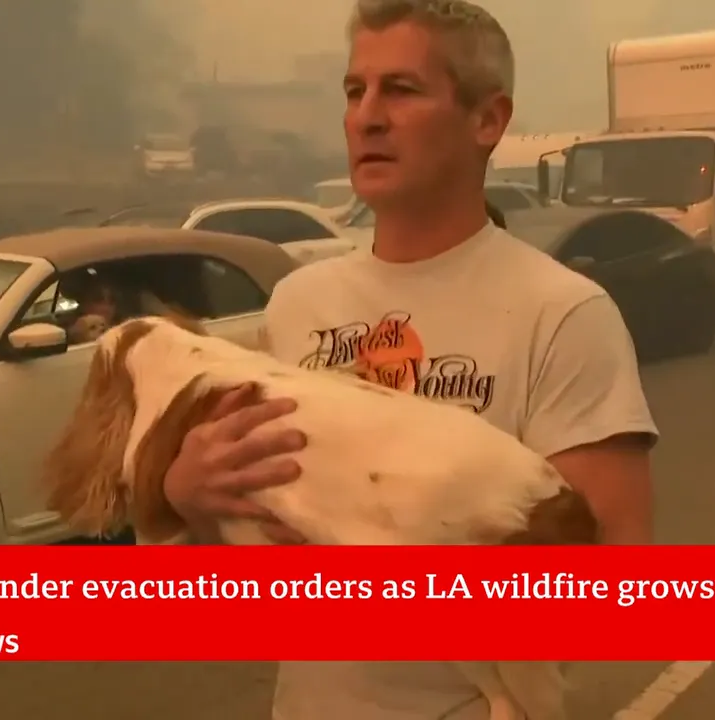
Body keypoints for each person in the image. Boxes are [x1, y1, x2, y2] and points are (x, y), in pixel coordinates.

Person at [161, 0, 656, 718]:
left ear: (488, 119)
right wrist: (188, 498)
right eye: (354, 91)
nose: (366, 116)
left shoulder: (564, 312)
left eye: (401, 89)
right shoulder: (297, 303)